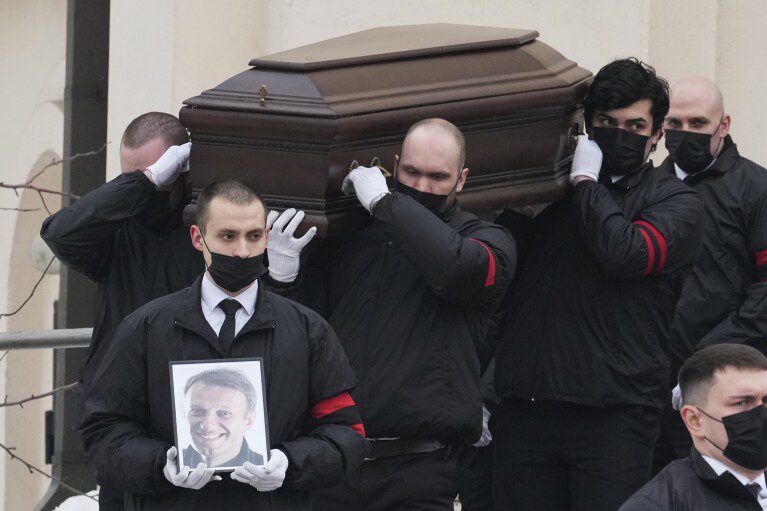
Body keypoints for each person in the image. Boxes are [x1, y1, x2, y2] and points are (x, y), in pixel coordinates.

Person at [41, 112, 314, 510]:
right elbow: (60, 233)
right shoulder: (119, 230)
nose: (145, 184)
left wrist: (282, 277)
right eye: (131, 176)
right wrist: (144, 182)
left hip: (207, 418)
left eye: (156, 171)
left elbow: (257, 310)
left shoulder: (211, 234)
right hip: (129, 424)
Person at [492, 58, 704, 511]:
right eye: (606, 122)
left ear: (656, 135)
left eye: (634, 125)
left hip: (615, 418)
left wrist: (587, 183)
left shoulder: (677, 203)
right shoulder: (550, 196)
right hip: (528, 410)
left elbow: (624, 253)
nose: (619, 134)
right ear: (587, 125)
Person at [78, 180, 367, 510]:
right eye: (228, 236)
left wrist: (289, 463)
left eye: (254, 236)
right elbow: (103, 429)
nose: (243, 251)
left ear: (267, 237)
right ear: (198, 238)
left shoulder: (307, 330)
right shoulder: (146, 328)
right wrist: (160, 465)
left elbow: (346, 432)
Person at [289, 118, 516, 510]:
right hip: (335, 462)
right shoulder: (350, 238)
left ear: (462, 180)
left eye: (437, 177)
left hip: (419, 471)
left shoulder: (487, 239)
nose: (421, 187)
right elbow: (304, 326)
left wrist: (385, 203)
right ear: (395, 167)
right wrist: (283, 275)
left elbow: (456, 270)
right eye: (411, 172)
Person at [653, 76, 767, 473]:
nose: (686, 134)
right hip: (650, 383)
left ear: (724, 125)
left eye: (698, 123)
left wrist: (709, 358)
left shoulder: (756, 188)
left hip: (728, 386)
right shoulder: (648, 189)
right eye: (675, 124)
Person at [621, 343, 767, 510]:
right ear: (695, 420)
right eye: (741, 402)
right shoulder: (659, 504)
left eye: (766, 400)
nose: (761, 413)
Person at [182, 369, 264, 468]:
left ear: (249, 421)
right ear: (184, 415)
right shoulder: (168, 463)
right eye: (196, 411)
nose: (207, 425)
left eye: (224, 413)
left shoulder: (268, 469)